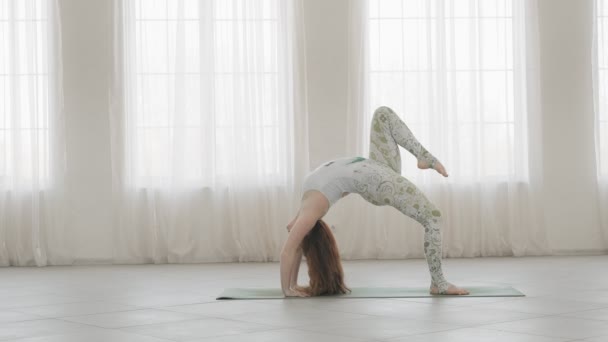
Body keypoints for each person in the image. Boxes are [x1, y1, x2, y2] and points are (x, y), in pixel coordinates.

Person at [280, 106, 470, 297]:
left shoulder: (306, 202)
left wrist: (293, 284)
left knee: (383, 114)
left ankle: (423, 156)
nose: (294, 229)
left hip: (377, 165)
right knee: (433, 217)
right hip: (376, 182)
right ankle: (439, 283)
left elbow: (292, 231)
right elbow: (289, 250)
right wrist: (287, 289)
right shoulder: (311, 209)